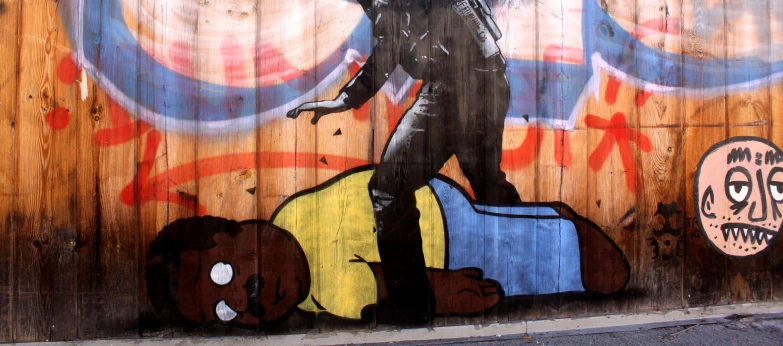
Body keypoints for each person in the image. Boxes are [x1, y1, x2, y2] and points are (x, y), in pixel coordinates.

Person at [284, 0, 523, 323]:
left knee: (388, 190)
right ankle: (532, 275)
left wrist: (346, 100)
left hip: (457, 82)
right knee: (487, 181)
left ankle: (411, 308)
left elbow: (389, 43)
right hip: (482, 72)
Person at [146, 167, 630, 328]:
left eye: (224, 276)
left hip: (443, 231)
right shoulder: (308, 276)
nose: (245, 298)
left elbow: (397, 287)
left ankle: (560, 228)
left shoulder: (303, 245)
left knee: (607, 276)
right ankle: (550, 224)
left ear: (241, 228)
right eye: (227, 313)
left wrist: (439, 295)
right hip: (440, 225)